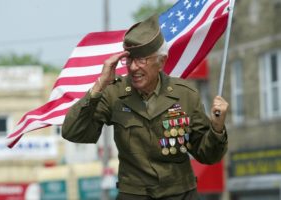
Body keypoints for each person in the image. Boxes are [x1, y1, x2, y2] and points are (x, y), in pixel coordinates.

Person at [62, 14, 228, 200]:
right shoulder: (113, 94)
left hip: (180, 195)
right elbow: (72, 132)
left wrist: (217, 127)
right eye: (129, 60)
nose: (133, 67)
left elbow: (208, 156)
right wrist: (99, 85)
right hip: (134, 195)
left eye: (142, 60)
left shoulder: (185, 94)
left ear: (161, 62)